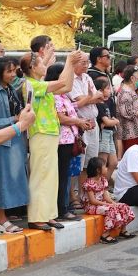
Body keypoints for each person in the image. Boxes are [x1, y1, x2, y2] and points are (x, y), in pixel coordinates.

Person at [19, 50, 82, 230]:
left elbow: (67, 86)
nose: (44, 66)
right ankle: (37, 216)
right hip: (40, 132)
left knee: (51, 176)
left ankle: (48, 214)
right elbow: (63, 82)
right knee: (41, 175)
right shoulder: (30, 84)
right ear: (32, 67)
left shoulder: (38, 83)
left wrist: (68, 64)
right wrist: (69, 62)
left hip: (50, 132)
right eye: (41, 63)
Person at [48, 63, 90, 222]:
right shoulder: (55, 96)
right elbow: (61, 117)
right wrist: (78, 122)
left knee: (66, 175)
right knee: (62, 175)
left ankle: (64, 206)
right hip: (61, 141)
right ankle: (62, 209)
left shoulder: (64, 95)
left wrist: (80, 121)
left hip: (68, 139)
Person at [0, 57, 28, 233]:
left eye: (14, 70)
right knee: (2, 182)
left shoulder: (11, 88)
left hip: (13, 140)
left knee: (9, 181)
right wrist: (17, 119)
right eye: (9, 71)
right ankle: (1, 218)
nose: (13, 74)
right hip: (0, 143)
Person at [69, 53, 105, 206]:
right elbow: (78, 102)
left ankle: (86, 194)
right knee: (78, 162)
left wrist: (89, 97)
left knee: (89, 162)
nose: (85, 65)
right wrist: (91, 97)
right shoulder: (70, 79)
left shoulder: (88, 78)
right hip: (80, 125)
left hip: (93, 124)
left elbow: (100, 96)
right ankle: (73, 195)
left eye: (86, 62)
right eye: (82, 62)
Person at [82, 157, 136, 244]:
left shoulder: (103, 180)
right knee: (111, 210)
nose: (107, 168)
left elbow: (106, 197)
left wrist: (113, 203)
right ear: (98, 170)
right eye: (105, 167)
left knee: (123, 206)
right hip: (91, 206)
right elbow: (92, 201)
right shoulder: (88, 184)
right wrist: (107, 205)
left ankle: (123, 229)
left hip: (101, 204)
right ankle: (105, 235)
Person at [117, 65, 138, 152]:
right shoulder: (125, 92)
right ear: (132, 78)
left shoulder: (131, 91)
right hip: (130, 133)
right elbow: (127, 113)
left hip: (137, 133)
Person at [94, 78, 119, 184]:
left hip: (109, 133)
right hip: (103, 134)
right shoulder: (99, 103)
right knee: (102, 162)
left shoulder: (106, 103)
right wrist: (114, 121)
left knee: (113, 162)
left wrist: (111, 121)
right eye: (107, 88)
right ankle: (97, 186)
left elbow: (109, 121)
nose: (110, 90)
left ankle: (104, 184)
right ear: (100, 90)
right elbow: (107, 122)